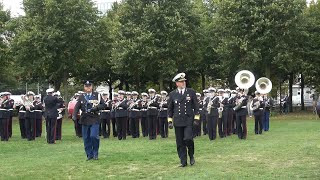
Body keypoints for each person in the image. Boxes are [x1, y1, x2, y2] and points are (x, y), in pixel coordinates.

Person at [168, 73, 200, 167]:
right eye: (181, 81)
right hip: (178, 121)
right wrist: (170, 121)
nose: (184, 82)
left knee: (188, 138)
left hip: (188, 120)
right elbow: (170, 109)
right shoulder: (173, 94)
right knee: (180, 142)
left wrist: (196, 118)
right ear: (177, 83)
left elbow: (196, 107)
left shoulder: (191, 92)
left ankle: (191, 155)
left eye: (184, 81)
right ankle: (183, 161)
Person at [73, 81, 106, 160]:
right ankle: (89, 155)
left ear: (92, 86)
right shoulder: (82, 96)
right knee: (86, 138)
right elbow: (77, 107)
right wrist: (74, 115)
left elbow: (103, 105)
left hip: (94, 118)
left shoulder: (97, 95)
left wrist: (97, 108)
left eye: (89, 86)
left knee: (93, 136)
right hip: (85, 119)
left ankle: (95, 153)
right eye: (86, 86)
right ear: (84, 87)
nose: (88, 87)